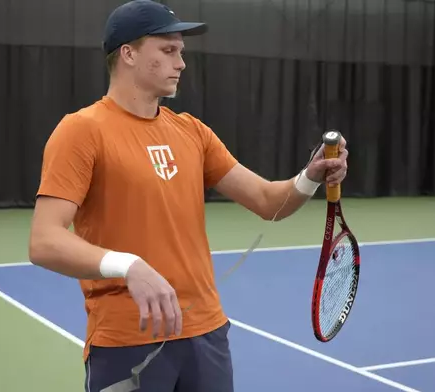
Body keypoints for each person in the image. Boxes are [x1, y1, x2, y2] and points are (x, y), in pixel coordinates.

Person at [28, 0, 349, 391]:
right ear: (127, 53)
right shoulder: (81, 130)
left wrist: (309, 177)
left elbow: (268, 201)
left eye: (181, 51)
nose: (181, 63)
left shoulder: (192, 132)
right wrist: (129, 266)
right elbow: (45, 241)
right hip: (129, 341)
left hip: (206, 335)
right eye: (168, 50)